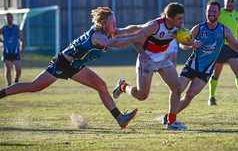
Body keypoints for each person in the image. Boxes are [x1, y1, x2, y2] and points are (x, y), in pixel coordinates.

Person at [0, 7, 145, 129]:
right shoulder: (98, 36)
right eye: (113, 21)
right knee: (34, 86)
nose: (115, 23)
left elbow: (126, 30)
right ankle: (2, 93)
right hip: (62, 63)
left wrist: (144, 29)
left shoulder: (106, 31)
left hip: (75, 66)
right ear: (104, 23)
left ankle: (120, 118)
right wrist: (136, 38)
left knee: (101, 85)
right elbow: (117, 43)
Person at [161, 0, 238, 128]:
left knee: (189, 96)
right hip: (191, 66)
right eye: (209, 11)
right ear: (206, 12)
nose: (211, 13)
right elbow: (183, 44)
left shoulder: (224, 30)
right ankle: (171, 119)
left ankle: (169, 117)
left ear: (219, 14)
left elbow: (235, 46)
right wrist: (191, 44)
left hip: (206, 71)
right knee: (177, 90)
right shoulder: (199, 28)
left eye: (214, 11)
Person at [112, 2, 191, 131]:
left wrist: (193, 43)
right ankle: (122, 86)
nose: (182, 21)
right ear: (169, 18)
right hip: (147, 60)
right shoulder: (155, 26)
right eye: (179, 18)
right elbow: (136, 38)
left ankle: (171, 122)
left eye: (182, 18)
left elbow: (184, 44)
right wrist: (142, 54)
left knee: (177, 88)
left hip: (163, 59)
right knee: (142, 95)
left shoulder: (179, 29)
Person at [208, 0, 238, 106]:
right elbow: (211, 24)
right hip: (220, 46)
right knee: (216, 74)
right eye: (227, 1)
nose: (229, 3)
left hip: (232, 47)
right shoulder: (219, 13)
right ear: (224, 3)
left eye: (231, 1)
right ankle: (211, 97)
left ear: (234, 3)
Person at [0, 13, 24, 86]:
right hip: (7, 52)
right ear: (5, 19)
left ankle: (16, 80)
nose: (9, 19)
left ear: (12, 18)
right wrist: (2, 41)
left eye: (10, 18)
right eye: (7, 18)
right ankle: (9, 85)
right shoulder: (3, 28)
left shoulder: (16, 28)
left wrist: (22, 49)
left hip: (16, 52)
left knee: (18, 69)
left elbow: (22, 39)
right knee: (8, 69)